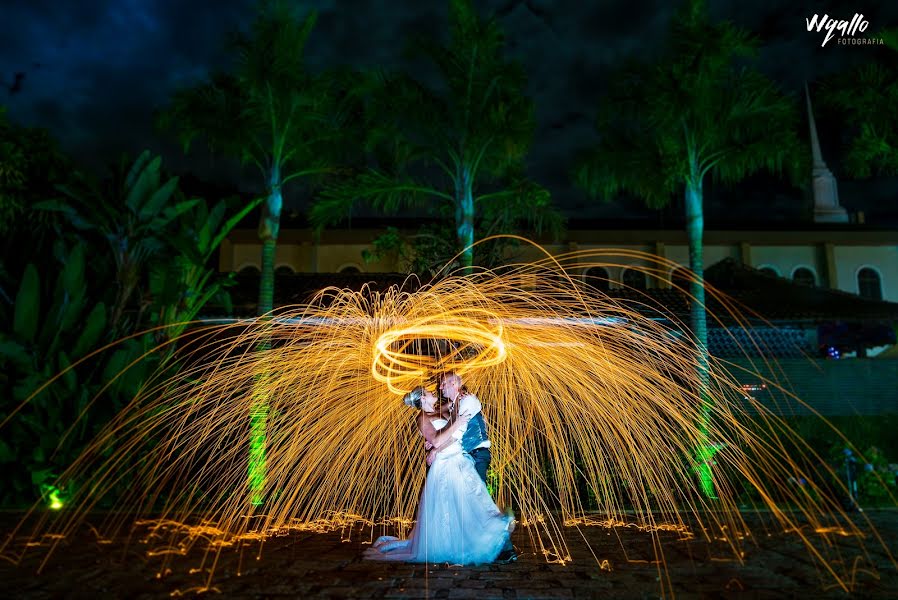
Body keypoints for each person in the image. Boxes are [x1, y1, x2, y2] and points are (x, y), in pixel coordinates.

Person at [363, 386, 514, 564]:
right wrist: (450, 430)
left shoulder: (440, 410)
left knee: (471, 500)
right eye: (428, 393)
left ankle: (490, 533)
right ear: (423, 400)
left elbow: (452, 428)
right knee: (459, 503)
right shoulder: (422, 418)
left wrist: (462, 393)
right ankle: (485, 536)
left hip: (460, 460)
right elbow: (435, 438)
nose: (433, 393)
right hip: (445, 465)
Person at [435, 371, 517, 564]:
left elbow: (457, 433)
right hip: (468, 457)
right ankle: (486, 545)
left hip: (477, 456)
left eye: (443, 383)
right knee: (472, 504)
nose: (440, 388)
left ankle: (506, 547)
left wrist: (436, 448)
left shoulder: (468, 401)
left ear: (455, 383)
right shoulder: (457, 402)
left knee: (479, 504)